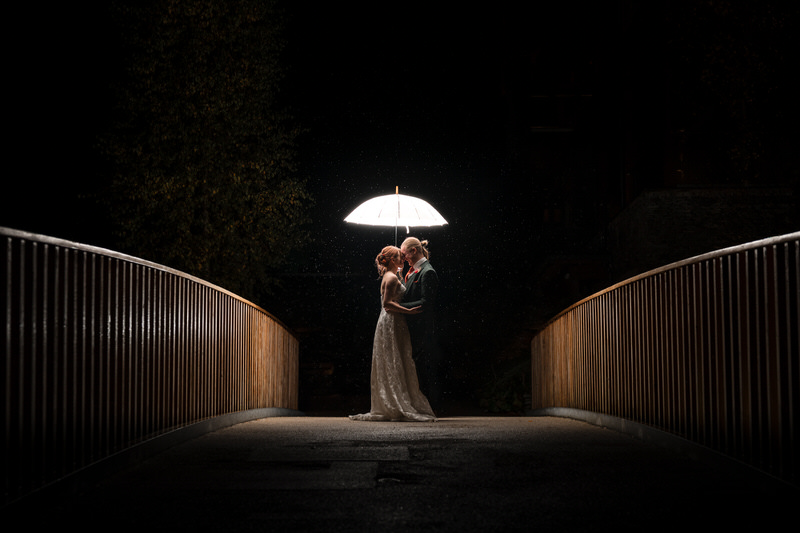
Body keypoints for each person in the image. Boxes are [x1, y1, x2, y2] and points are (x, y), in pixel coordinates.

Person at [349, 246, 437, 422]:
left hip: (396, 321)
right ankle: (395, 403)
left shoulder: (393, 275)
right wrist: (409, 311)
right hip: (391, 321)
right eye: (399, 256)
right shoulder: (389, 278)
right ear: (391, 260)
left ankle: (397, 399)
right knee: (393, 359)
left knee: (398, 358)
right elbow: (387, 304)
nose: (402, 259)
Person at [398, 237, 443, 411]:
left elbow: (425, 303)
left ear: (413, 251)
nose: (403, 258)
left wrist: (397, 307)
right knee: (416, 367)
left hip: (423, 330)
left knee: (424, 368)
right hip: (413, 329)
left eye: (404, 254)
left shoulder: (427, 272)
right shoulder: (413, 271)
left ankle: (430, 407)